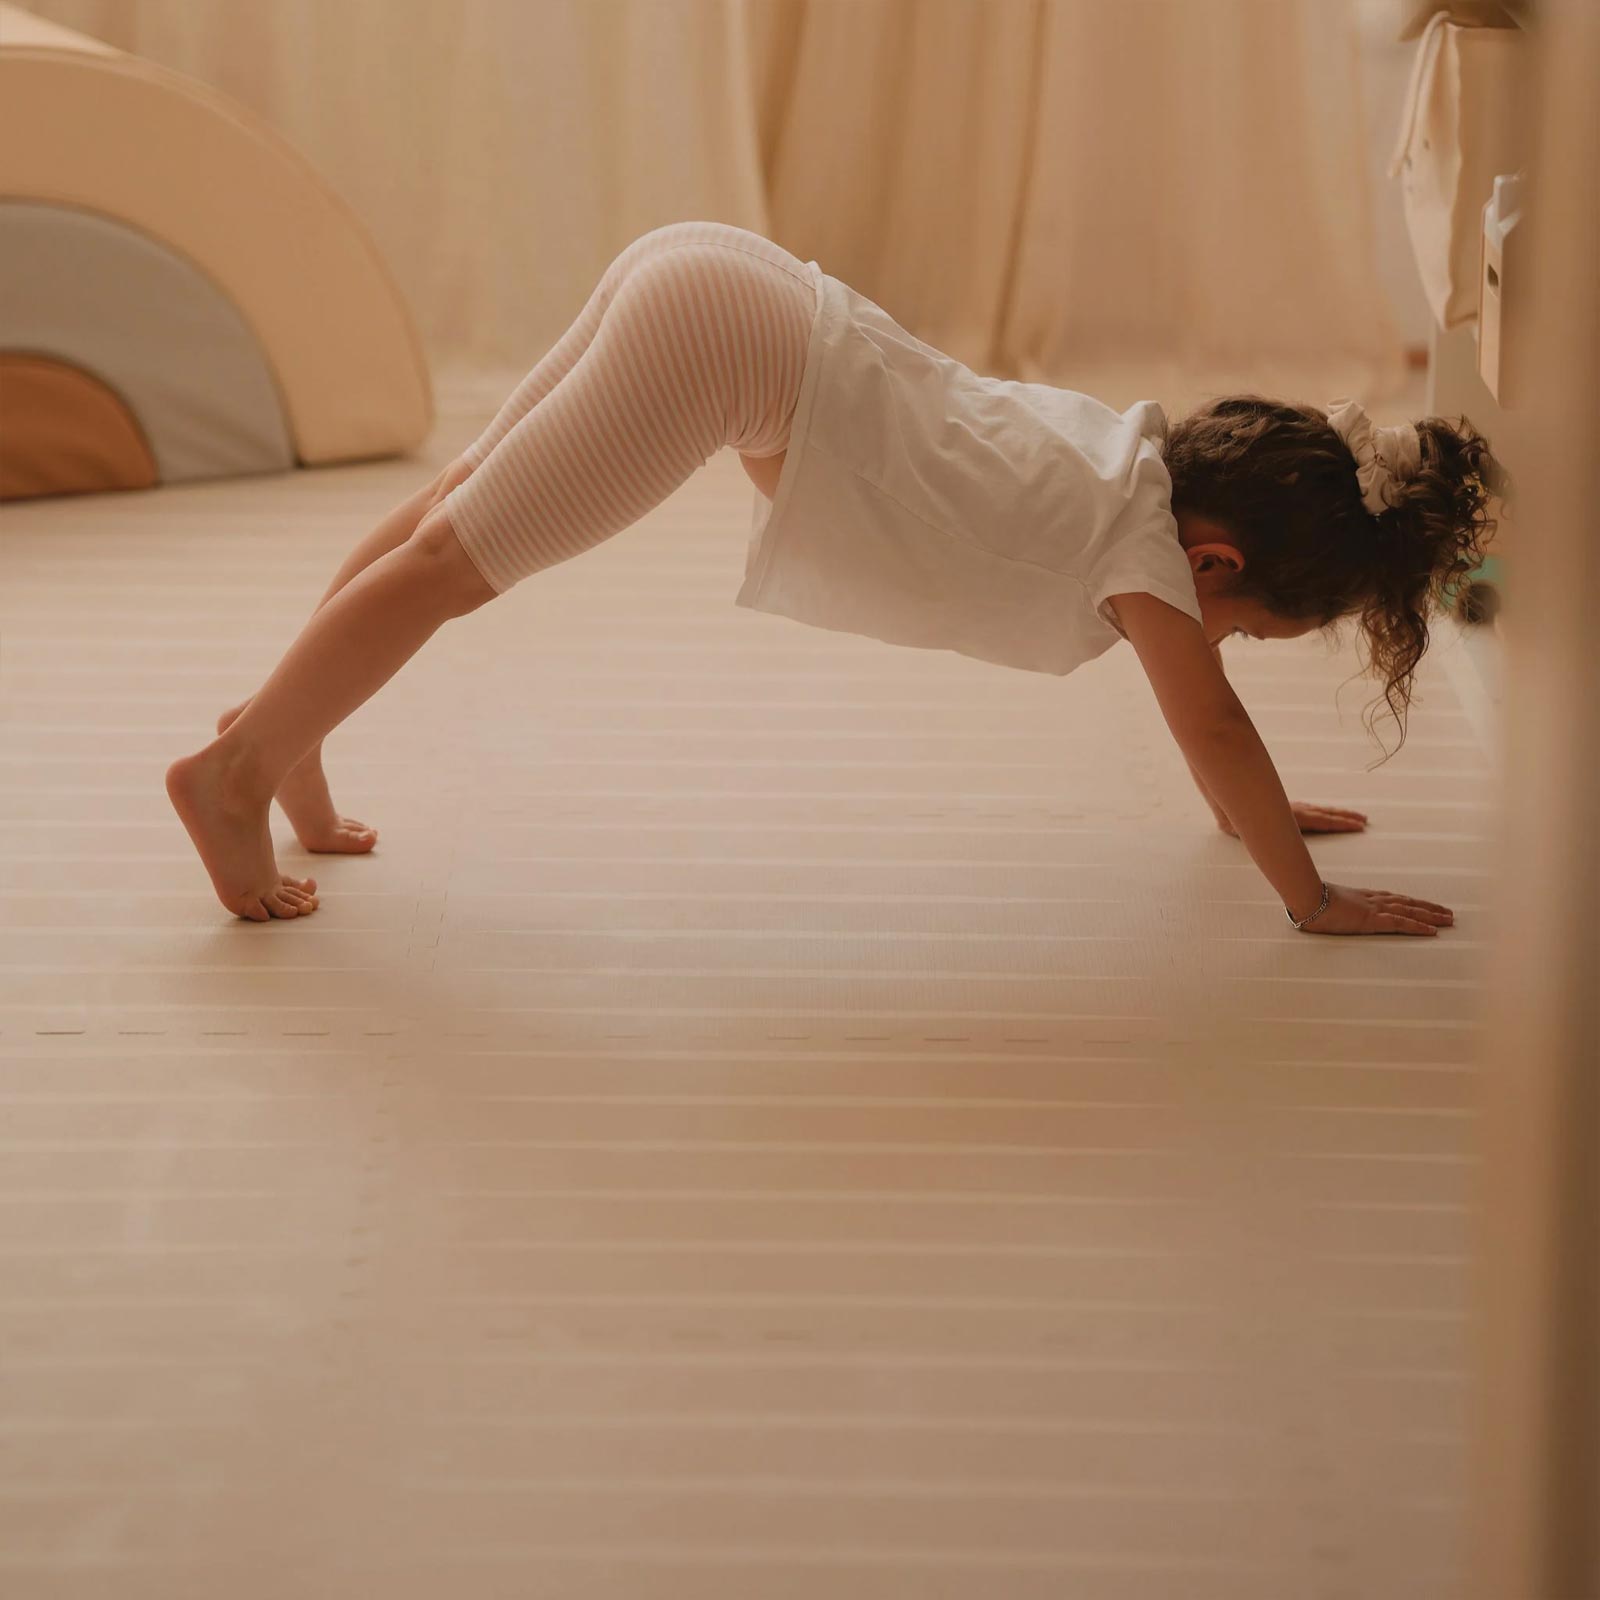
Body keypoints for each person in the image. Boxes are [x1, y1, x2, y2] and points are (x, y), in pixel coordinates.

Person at [167, 221, 1502, 933]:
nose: (1213, 647)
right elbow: (1209, 721)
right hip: (729, 345)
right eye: (1244, 627)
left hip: (724, 273)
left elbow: (1211, 745)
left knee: (448, 512)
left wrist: (1244, 816)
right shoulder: (1145, 558)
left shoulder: (1130, 456)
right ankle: (235, 776)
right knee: (459, 561)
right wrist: (1305, 897)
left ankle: (284, 737)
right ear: (1216, 562)